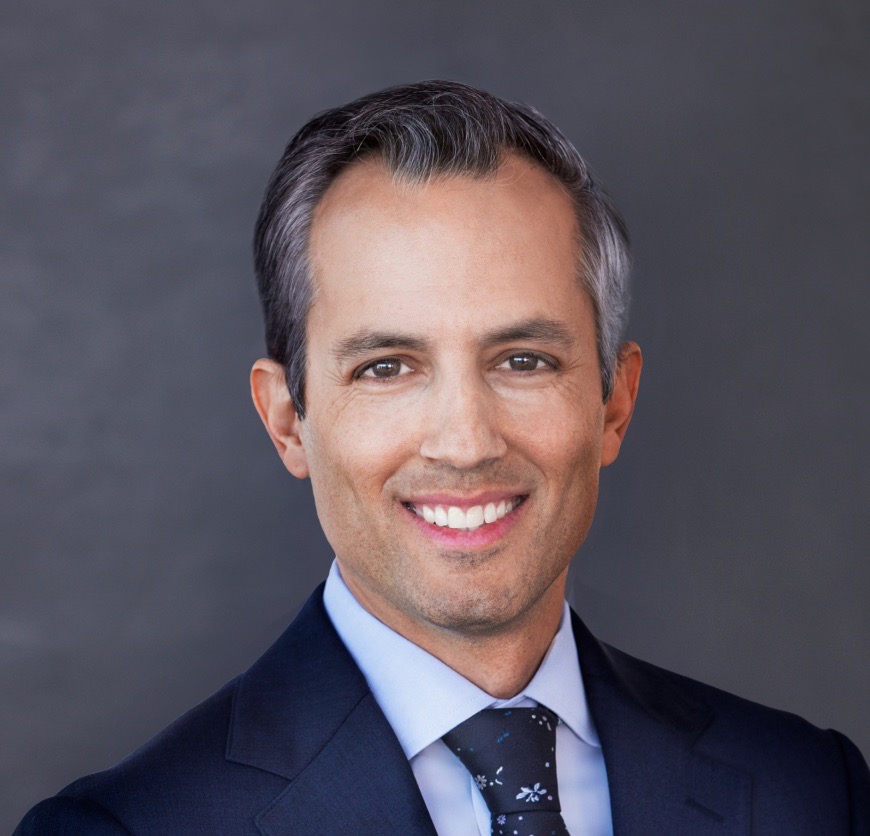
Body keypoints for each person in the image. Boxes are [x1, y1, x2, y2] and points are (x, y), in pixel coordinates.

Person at [15, 80, 869, 835]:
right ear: (287, 422)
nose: (465, 443)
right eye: (386, 367)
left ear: (614, 403)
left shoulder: (813, 794)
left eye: (524, 361)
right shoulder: (128, 829)